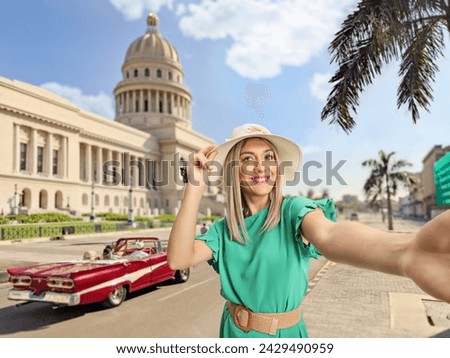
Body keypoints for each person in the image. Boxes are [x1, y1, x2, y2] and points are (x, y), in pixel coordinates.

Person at [167, 123, 450, 338]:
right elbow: (178, 260)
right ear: (234, 172)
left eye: (268, 157)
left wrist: (405, 253)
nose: (261, 167)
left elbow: (330, 235)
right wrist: (195, 185)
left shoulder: (294, 212)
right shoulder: (222, 231)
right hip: (233, 335)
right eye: (247, 160)